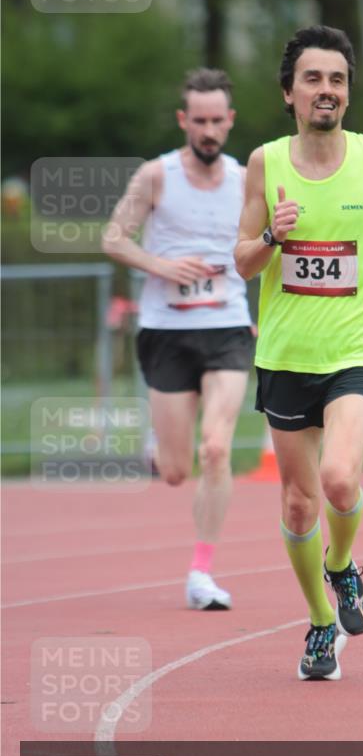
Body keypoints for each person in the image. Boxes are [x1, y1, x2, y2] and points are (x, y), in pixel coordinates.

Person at [235, 26, 363, 680]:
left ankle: (342, 568)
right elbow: (241, 263)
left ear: (349, 92)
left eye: (338, 79)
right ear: (288, 92)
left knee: (339, 479)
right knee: (297, 504)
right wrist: (270, 235)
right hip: (287, 354)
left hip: (357, 344)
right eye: (314, 79)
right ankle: (321, 622)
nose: (327, 90)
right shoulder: (264, 163)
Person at [103, 68, 253, 611]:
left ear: (230, 121)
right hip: (167, 331)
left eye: (218, 121)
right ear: (183, 120)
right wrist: (162, 265)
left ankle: (201, 573)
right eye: (200, 121)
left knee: (216, 448)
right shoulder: (157, 176)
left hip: (227, 328)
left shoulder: (245, 179)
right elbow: (113, 238)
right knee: (175, 471)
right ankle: (159, 440)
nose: (209, 130)